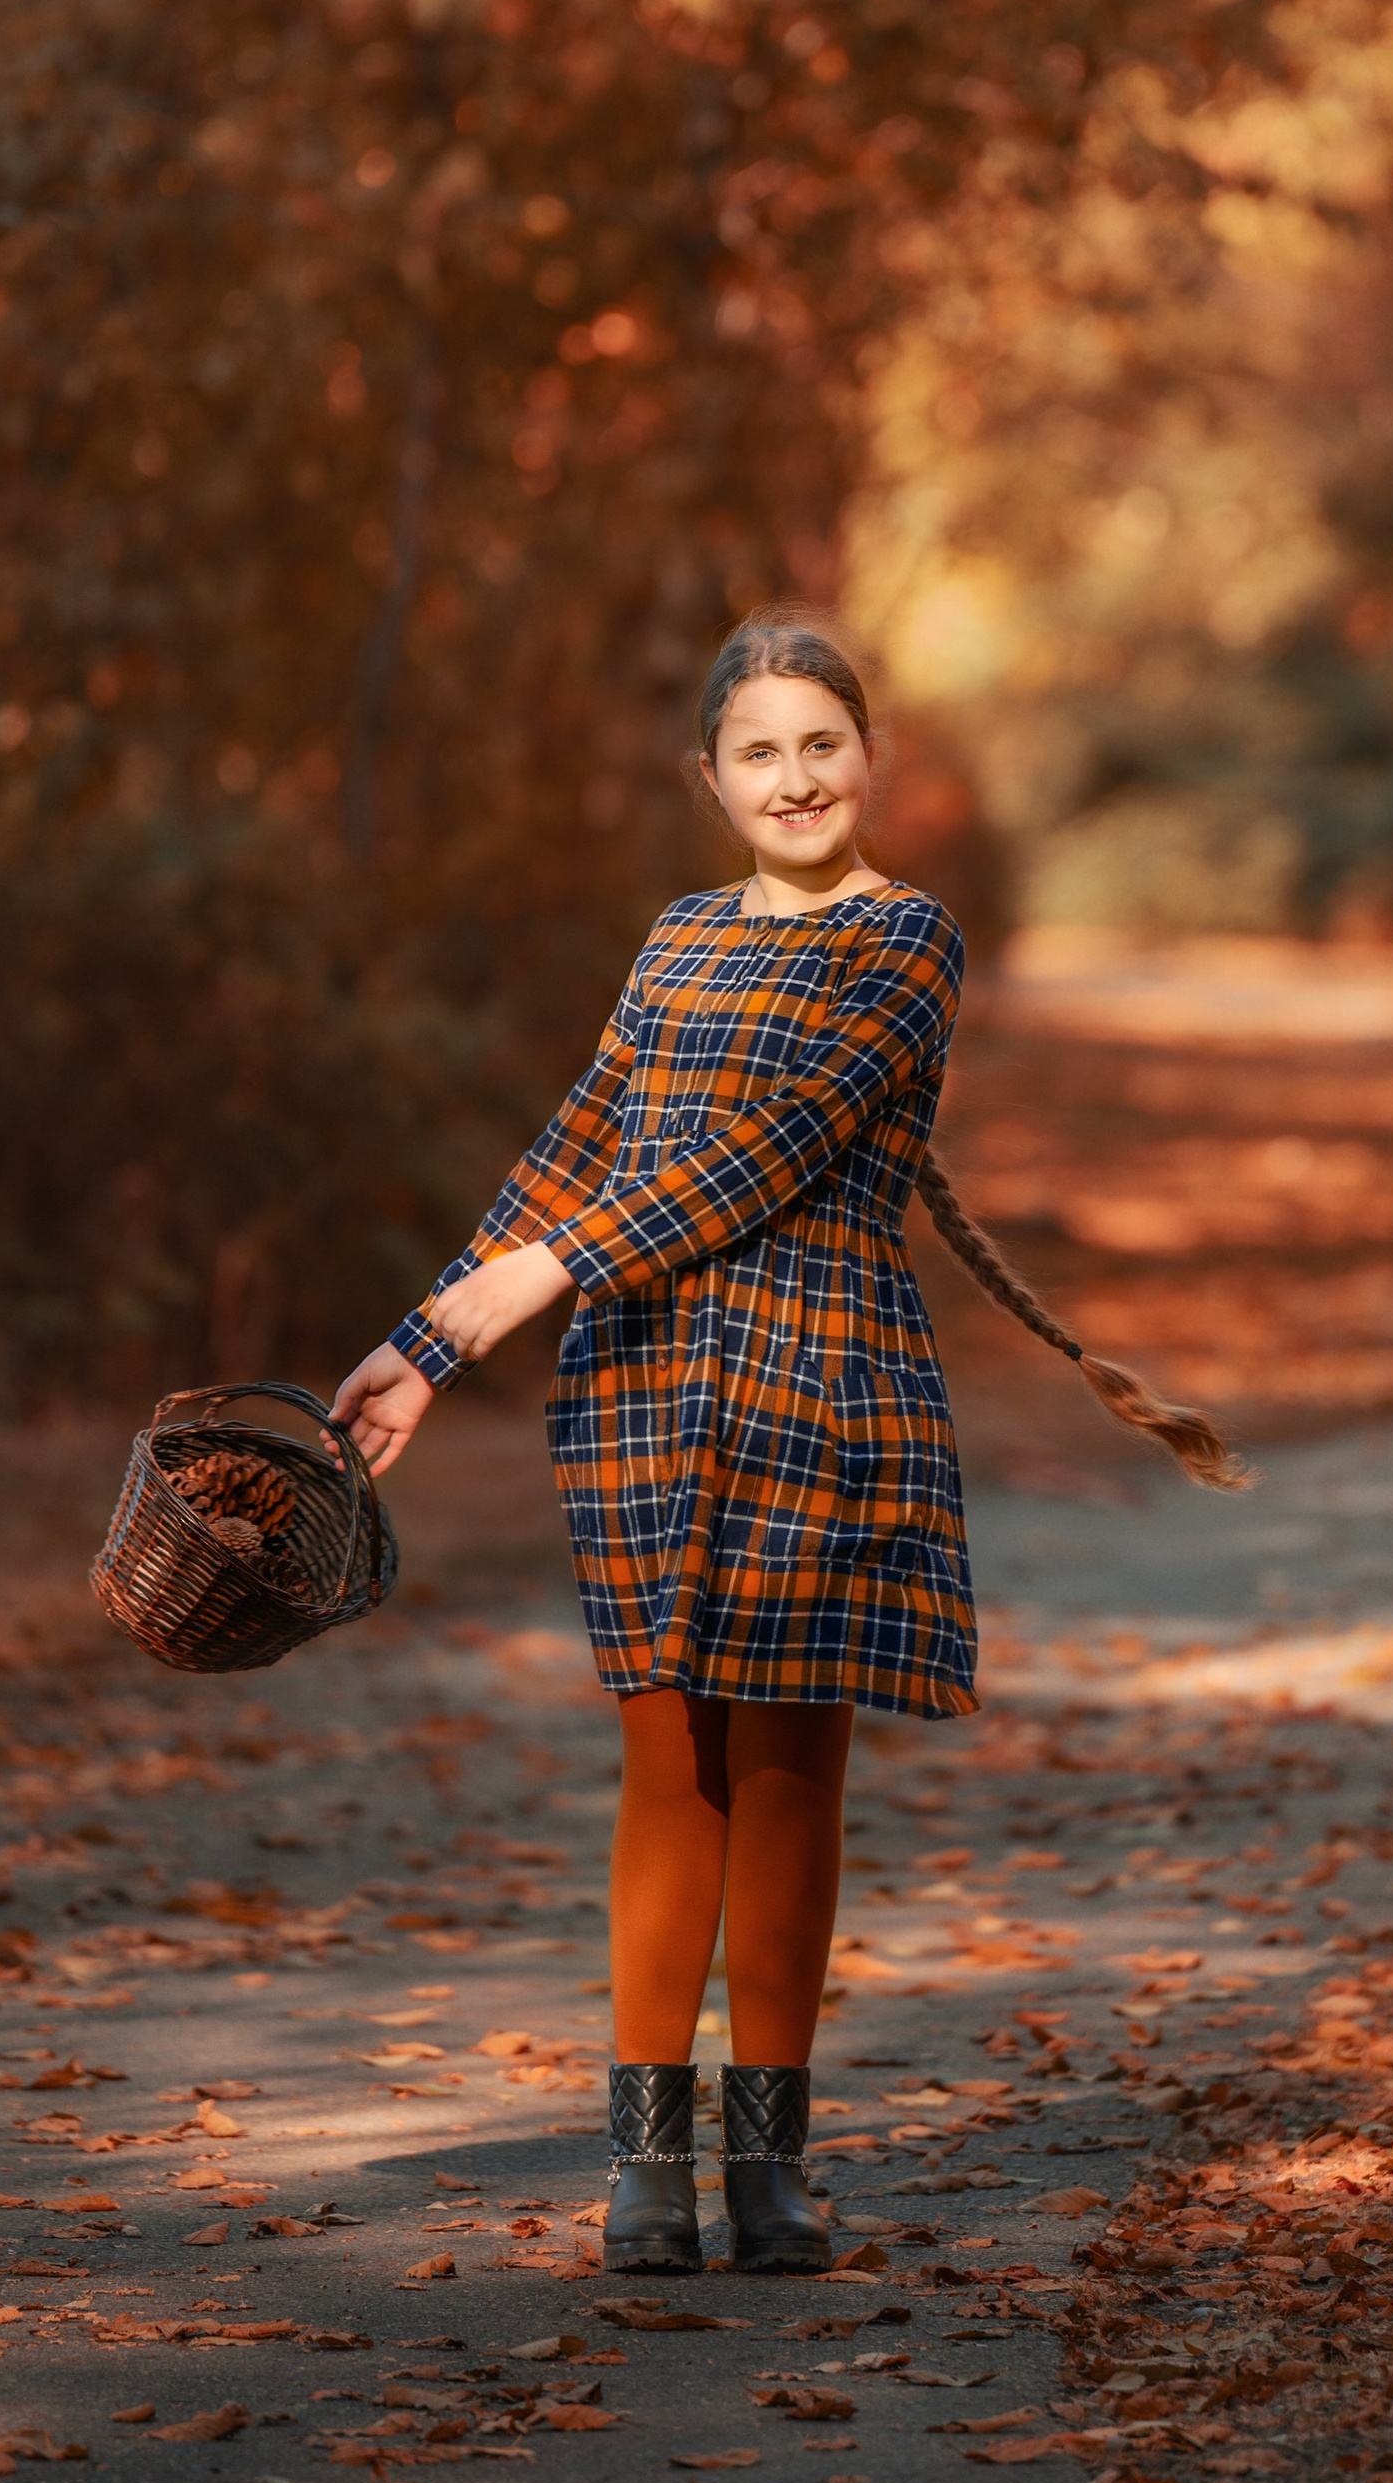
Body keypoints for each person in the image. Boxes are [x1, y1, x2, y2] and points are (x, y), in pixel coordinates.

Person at [332, 608, 1241, 2277]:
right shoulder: (672, 944)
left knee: (787, 1772)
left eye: (823, 743)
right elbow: (578, 1153)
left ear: (872, 761)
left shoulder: (909, 946)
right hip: (644, 1387)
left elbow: (757, 1156)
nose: (795, 775)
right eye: (759, 750)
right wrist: (418, 1340)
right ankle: (643, 2170)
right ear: (711, 778)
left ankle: (768, 2166)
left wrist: (500, 1300)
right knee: (664, 1761)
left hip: (821, 1386)